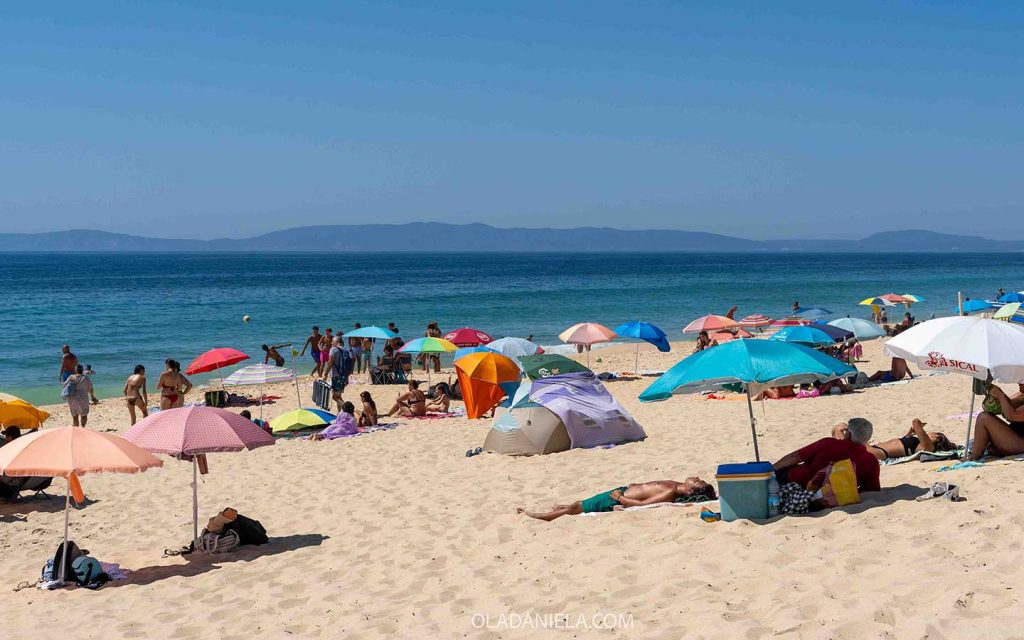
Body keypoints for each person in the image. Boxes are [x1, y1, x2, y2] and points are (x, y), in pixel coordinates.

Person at [518, 478, 716, 522]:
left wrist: (620, 497)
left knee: (577, 507)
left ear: (691, 490)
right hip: (622, 490)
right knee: (580, 503)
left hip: (618, 496)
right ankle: (559, 508)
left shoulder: (671, 492)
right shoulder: (674, 484)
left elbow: (643, 505)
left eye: (698, 481)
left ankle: (545, 517)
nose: (696, 477)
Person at [773, 417, 880, 492]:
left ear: (848, 434)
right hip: (830, 494)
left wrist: (773, 468)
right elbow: (871, 490)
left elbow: (796, 456)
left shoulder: (828, 444)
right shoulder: (871, 461)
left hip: (797, 483)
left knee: (779, 471)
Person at [854, 418, 957, 461]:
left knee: (845, 430)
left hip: (879, 452)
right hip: (874, 448)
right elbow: (901, 443)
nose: (929, 433)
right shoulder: (920, 444)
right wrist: (909, 434)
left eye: (932, 432)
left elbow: (915, 422)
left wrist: (919, 426)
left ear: (936, 437)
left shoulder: (929, 447)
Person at [969, 383, 1024, 460]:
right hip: (1017, 436)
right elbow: (1008, 406)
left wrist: (1000, 396)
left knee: (984, 418)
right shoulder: (1022, 395)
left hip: (1020, 444)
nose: (1019, 383)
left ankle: (973, 457)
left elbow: (1011, 416)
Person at [322, 336, 352, 412]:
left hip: (336, 376)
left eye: (332, 341)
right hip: (344, 376)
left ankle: (350, 411)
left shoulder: (334, 349)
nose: (331, 343)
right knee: (339, 396)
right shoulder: (346, 350)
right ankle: (339, 413)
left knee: (335, 397)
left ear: (336, 342)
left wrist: (325, 373)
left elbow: (330, 363)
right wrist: (347, 377)